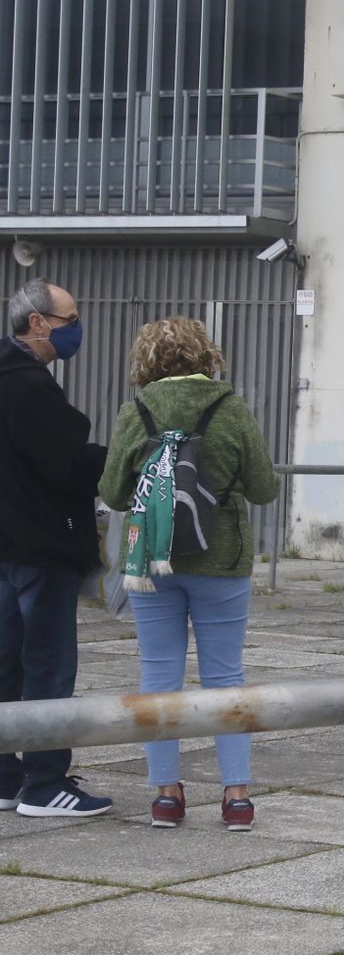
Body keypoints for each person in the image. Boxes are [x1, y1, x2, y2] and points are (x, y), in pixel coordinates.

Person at [98, 317, 280, 831]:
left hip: (151, 563)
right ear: (207, 355)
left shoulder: (135, 412)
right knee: (226, 678)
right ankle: (237, 797)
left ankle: (166, 796)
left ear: (146, 362)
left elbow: (112, 494)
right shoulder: (230, 408)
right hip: (221, 560)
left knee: (159, 676)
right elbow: (265, 488)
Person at [0, 279, 114, 819]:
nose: (77, 329)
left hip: (6, 544)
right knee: (47, 665)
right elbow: (66, 465)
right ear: (38, 323)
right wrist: (119, 460)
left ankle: (4, 775)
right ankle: (45, 782)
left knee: (5, 662)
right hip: (40, 546)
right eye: (70, 320)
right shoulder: (29, 386)